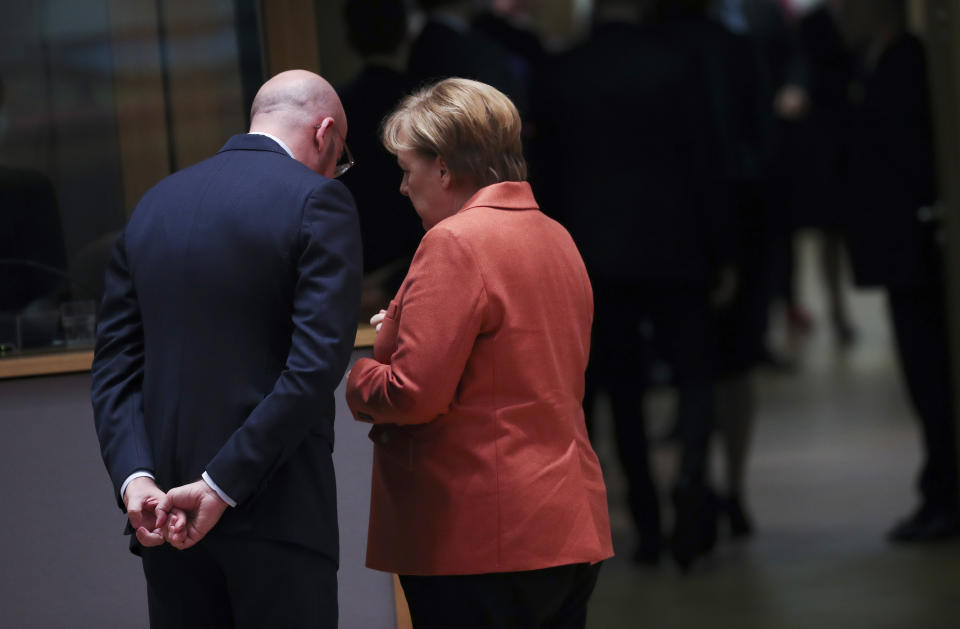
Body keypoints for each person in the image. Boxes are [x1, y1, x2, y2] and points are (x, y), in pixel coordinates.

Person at [90, 69, 362, 628]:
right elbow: (313, 368)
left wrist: (135, 478)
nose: (337, 168)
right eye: (341, 154)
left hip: (164, 521)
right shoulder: (319, 200)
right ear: (325, 131)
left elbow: (115, 367)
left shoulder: (154, 204)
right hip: (277, 517)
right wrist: (221, 484)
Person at [345, 78, 613, 629]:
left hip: (478, 536)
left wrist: (359, 375)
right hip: (563, 522)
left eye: (406, 168)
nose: (401, 187)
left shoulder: (454, 243)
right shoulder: (555, 235)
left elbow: (412, 393)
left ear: (443, 168)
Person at [836, 0, 959, 543]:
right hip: (904, 250)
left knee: (931, 377)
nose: (841, 14)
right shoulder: (886, 59)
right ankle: (940, 489)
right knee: (925, 377)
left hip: (914, 252)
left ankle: (944, 493)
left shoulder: (904, 61)